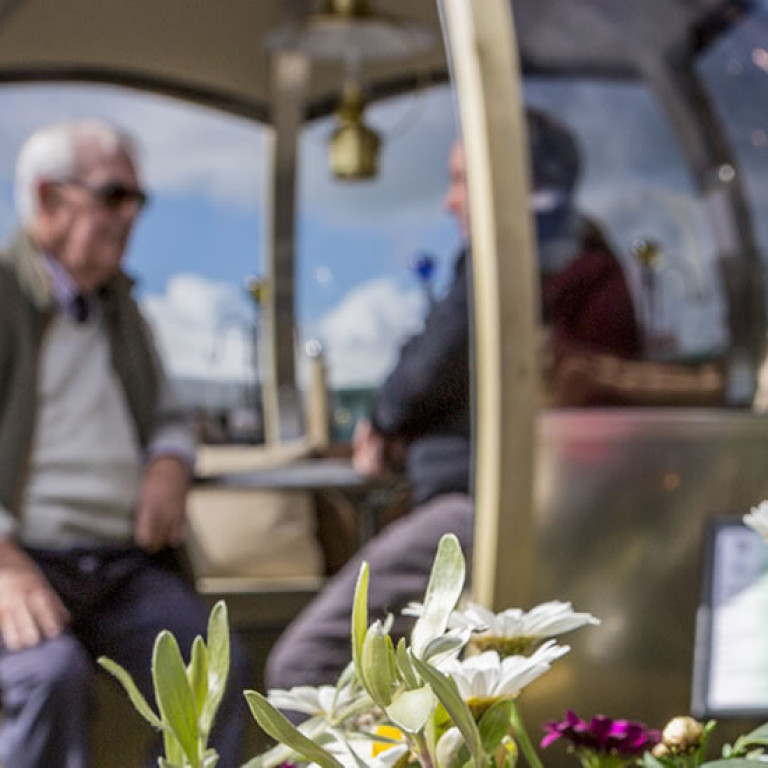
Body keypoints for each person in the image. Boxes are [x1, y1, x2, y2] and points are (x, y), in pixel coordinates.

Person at [265, 109, 640, 691]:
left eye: (463, 179)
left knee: (303, 668)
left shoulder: (516, 261)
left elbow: (426, 369)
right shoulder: (580, 260)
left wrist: (384, 418)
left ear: (519, 183)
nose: (449, 202)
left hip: (486, 505)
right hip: (533, 497)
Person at [0, 119, 250, 767]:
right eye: (114, 195)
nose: (132, 215)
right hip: (21, 562)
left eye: (138, 199)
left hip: (120, 564)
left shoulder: (122, 308)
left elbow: (168, 414)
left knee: (212, 668)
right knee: (48, 678)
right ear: (50, 196)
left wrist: (169, 462)